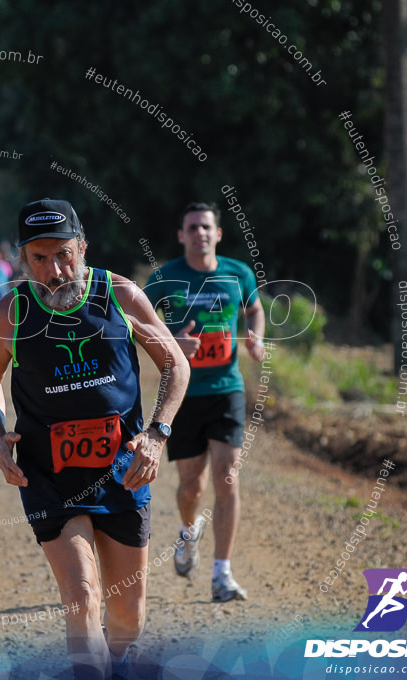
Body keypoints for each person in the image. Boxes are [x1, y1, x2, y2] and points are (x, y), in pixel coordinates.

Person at [0, 199, 189, 680]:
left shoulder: (122, 296)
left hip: (122, 472)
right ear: (23, 260)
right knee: (83, 598)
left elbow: (176, 364)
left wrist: (156, 435)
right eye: (40, 259)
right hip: (48, 475)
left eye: (64, 254)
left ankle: (119, 660)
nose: (55, 270)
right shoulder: (10, 312)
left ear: (83, 248)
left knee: (127, 617)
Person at [143, 202, 266, 603]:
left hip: (226, 388)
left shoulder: (239, 273)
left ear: (218, 233)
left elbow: (254, 309)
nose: (200, 233)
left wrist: (256, 337)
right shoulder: (164, 278)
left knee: (227, 476)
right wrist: (172, 344)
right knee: (190, 485)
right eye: (192, 227)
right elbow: (138, 324)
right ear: (181, 235)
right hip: (183, 393)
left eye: (206, 227)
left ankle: (222, 574)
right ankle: (188, 532)